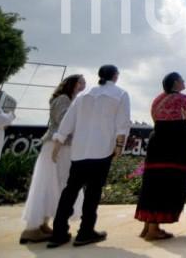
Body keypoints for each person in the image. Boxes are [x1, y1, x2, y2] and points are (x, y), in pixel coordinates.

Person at [47, 65, 131, 248]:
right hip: (102, 149)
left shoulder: (84, 96)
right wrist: (119, 146)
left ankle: (58, 233)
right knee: (93, 192)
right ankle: (85, 232)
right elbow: (122, 123)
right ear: (116, 76)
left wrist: (58, 143)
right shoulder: (120, 94)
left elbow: (68, 120)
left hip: (80, 149)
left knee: (70, 190)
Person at [20, 74, 86, 244]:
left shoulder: (69, 99)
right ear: (71, 84)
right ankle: (32, 228)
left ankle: (42, 224)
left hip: (62, 146)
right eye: (79, 82)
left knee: (54, 184)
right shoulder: (64, 99)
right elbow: (64, 122)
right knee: (51, 183)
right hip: (57, 146)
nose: (82, 85)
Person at [135, 72, 186, 240]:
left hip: (158, 141)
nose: (184, 82)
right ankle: (154, 229)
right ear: (176, 83)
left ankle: (148, 225)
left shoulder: (157, 99)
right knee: (168, 181)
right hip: (174, 143)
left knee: (153, 181)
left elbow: (156, 119)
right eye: (182, 79)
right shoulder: (183, 99)